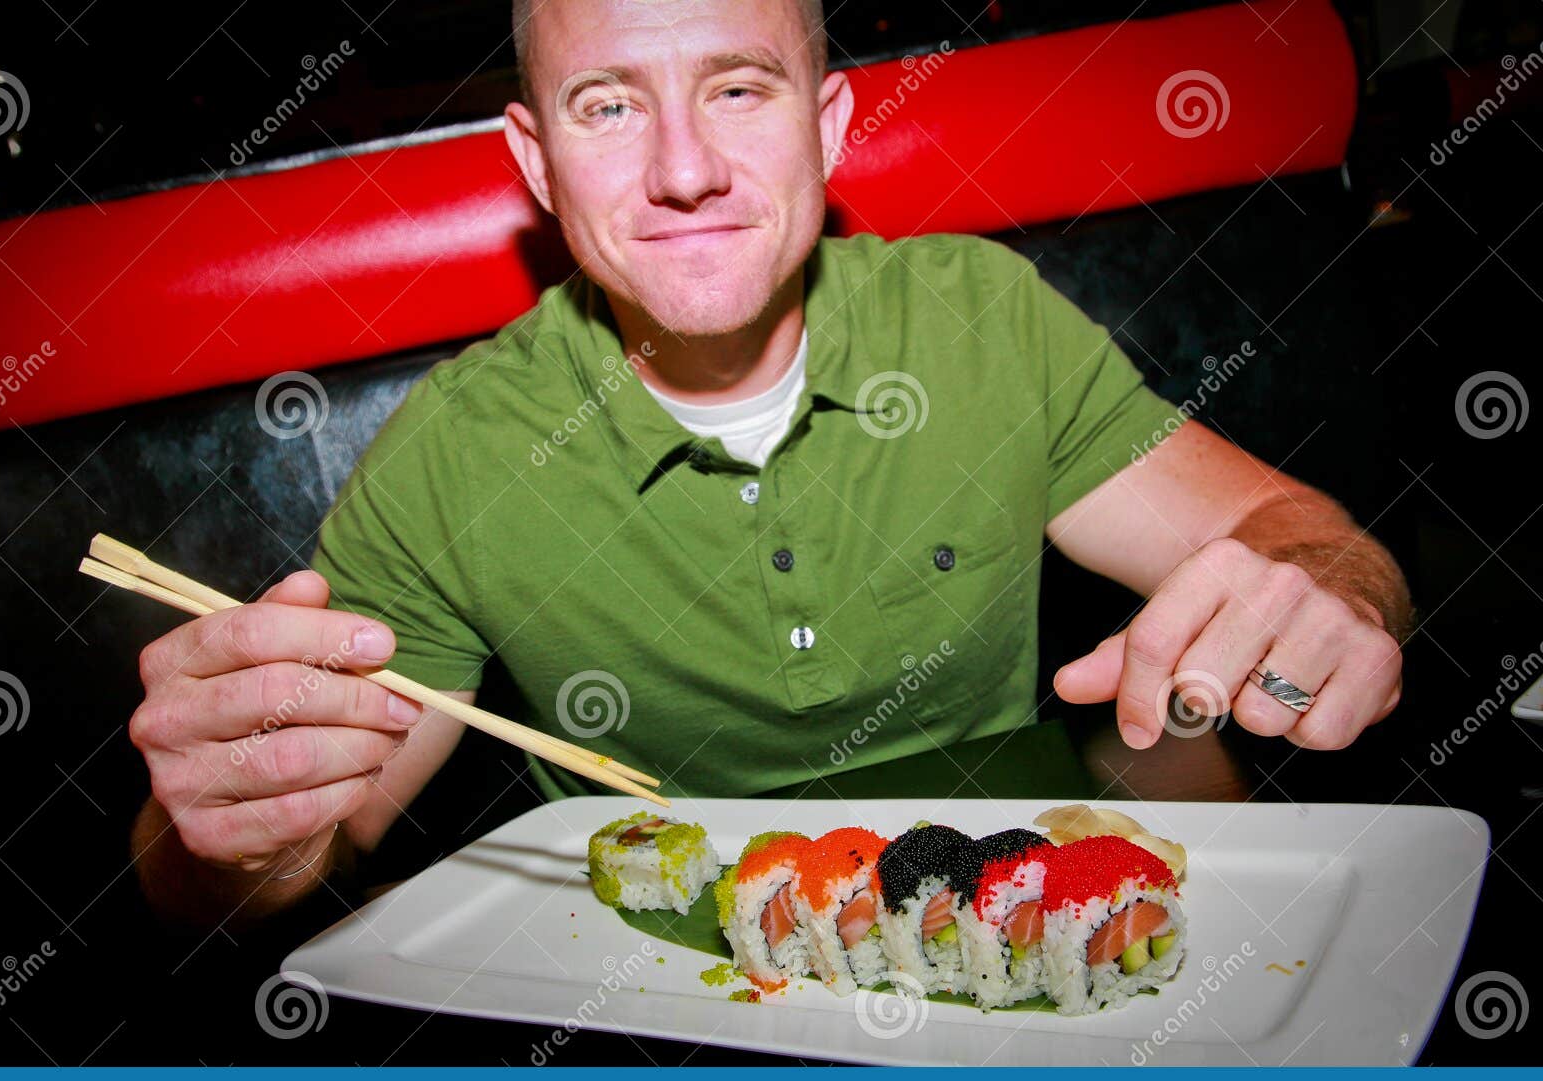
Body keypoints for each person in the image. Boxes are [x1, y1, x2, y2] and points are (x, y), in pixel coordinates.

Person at [127, 0, 1409, 926]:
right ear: (535, 160)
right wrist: (227, 829)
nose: (685, 171)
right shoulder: (455, 455)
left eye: (739, 88)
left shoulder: (981, 321)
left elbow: (1307, 537)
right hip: (656, 993)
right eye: (609, 104)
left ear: (829, 121)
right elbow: (277, 868)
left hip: (1031, 916)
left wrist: (1322, 594)